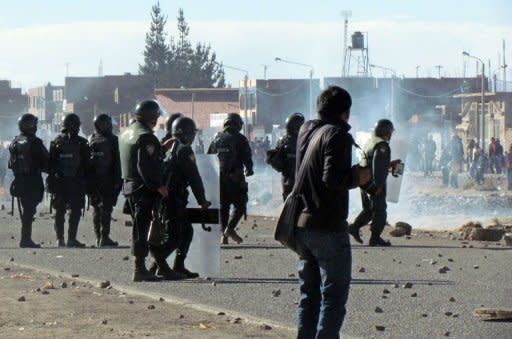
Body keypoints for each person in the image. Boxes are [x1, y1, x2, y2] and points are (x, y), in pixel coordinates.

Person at [295, 86, 370, 339]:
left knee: (309, 298)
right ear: (345, 113)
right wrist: (358, 176)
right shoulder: (337, 135)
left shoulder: (306, 130)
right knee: (333, 300)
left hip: (303, 224)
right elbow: (331, 178)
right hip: (327, 226)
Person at [150, 117, 211, 279]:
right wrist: (202, 201)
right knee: (175, 236)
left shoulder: (169, 147)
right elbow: (194, 178)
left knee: (186, 232)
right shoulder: (184, 150)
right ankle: (157, 264)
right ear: (184, 134)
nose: (192, 137)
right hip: (173, 200)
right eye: (191, 134)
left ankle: (177, 266)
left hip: (166, 199)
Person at [120, 100, 170, 282]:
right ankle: (139, 269)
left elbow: (138, 158)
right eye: (156, 115)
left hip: (130, 187)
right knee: (141, 230)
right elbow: (144, 166)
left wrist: (161, 149)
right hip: (143, 189)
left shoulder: (127, 132)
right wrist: (158, 186)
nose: (157, 118)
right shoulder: (145, 136)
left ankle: (147, 267)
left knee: (139, 227)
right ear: (151, 116)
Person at [348, 119, 402, 247]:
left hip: (364, 181)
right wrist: (377, 186)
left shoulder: (371, 142)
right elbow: (377, 166)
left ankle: (354, 227)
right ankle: (375, 238)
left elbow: (373, 163)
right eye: (389, 132)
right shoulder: (382, 146)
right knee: (380, 211)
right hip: (374, 183)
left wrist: (390, 164)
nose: (390, 135)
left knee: (369, 210)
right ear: (386, 131)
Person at [207, 113, 253, 245]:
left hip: (219, 179)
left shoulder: (216, 138)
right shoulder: (240, 139)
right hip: (235, 178)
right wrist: (249, 169)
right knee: (240, 205)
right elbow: (247, 157)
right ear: (238, 124)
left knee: (224, 206)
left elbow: (209, 157)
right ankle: (230, 229)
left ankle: (223, 234)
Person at [48, 114, 90, 248]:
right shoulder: (82, 143)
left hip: (60, 183)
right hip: (76, 183)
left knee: (59, 211)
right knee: (75, 210)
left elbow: (50, 164)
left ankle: (60, 239)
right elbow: (87, 165)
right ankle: (71, 239)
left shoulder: (56, 142)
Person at [8, 114, 49, 248]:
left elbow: (10, 163)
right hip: (32, 180)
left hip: (19, 180)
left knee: (27, 209)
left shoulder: (15, 142)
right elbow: (45, 161)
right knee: (29, 210)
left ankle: (26, 238)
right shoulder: (35, 142)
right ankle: (25, 239)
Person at [88, 114, 122, 247]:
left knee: (96, 209)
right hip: (107, 180)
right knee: (106, 209)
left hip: (94, 180)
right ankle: (104, 237)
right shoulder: (113, 140)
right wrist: (118, 180)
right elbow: (117, 162)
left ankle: (99, 237)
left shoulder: (91, 139)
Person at [266, 112, 304, 200]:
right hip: (298, 179)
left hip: (289, 179)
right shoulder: (305, 140)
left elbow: (277, 164)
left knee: (289, 204)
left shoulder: (283, 141)